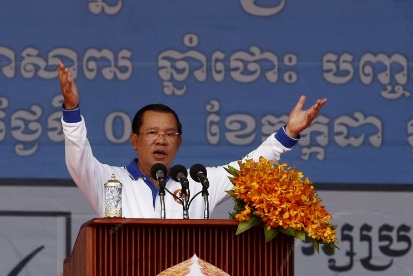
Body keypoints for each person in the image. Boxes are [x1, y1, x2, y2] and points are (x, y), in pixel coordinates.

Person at [57, 61, 327, 218]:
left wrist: (288, 134)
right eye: (152, 133)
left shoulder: (198, 184)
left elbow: (247, 169)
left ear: (179, 143)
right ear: (134, 141)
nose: (161, 140)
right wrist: (71, 109)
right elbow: (77, 158)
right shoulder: (109, 181)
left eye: (169, 134)